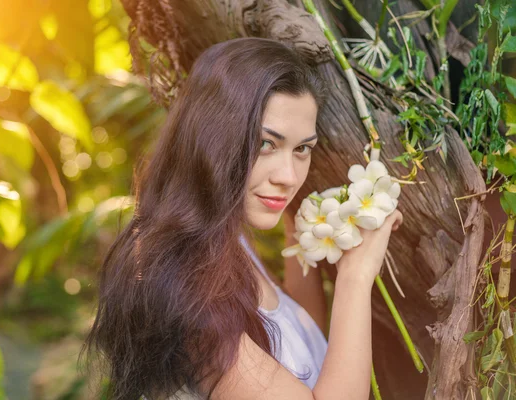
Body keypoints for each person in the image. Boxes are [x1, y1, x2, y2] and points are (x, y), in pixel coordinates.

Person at [82, 37, 403, 400]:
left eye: (302, 149)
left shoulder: (223, 243)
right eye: (266, 143)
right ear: (212, 139)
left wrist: (297, 242)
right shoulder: (186, 286)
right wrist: (356, 278)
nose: (288, 175)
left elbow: (294, 343)